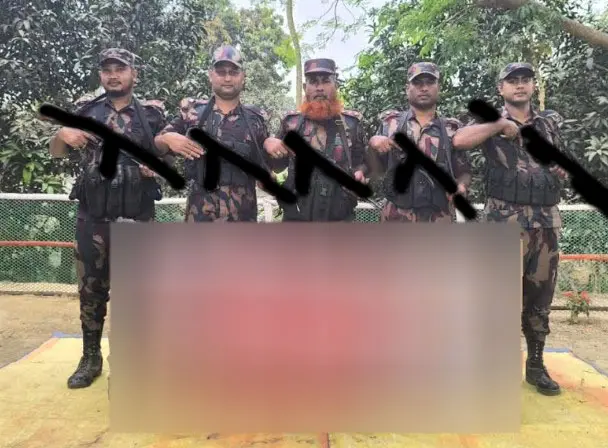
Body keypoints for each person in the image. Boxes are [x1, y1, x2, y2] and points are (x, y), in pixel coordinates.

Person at [48, 48, 170, 389]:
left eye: (121, 68)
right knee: (91, 290)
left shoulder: (152, 115)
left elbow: (168, 157)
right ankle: (90, 358)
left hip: (138, 217)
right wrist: (60, 135)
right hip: (93, 217)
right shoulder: (86, 110)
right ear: (101, 75)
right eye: (107, 69)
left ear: (134, 74)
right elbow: (57, 152)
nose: (113, 75)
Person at [452, 62, 569, 396]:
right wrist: (499, 124)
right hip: (504, 220)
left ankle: (535, 365)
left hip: (545, 221)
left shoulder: (550, 122)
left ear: (533, 86)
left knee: (540, 296)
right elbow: (459, 140)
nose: (520, 85)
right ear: (501, 88)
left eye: (525, 80)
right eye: (512, 80)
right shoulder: (488, 120)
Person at [154, 44, 272, 222]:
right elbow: (156, 147)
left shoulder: (256, 118)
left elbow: (268, 167)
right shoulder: (192, 112)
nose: (227, 78)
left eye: (233, 72)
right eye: (221, 72)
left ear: (243, 76)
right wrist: (167, 138)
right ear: (210, 75)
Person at [263, 58, 370, 222]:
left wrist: (360, 173)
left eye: (326, 81)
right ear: (305, 88)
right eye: (313, 82)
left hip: (339, 220)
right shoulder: (291, 123)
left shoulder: (352, 124)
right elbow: (277, 167)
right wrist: (268, 145)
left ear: (336, 85)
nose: (320, 88)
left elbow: (363, 162)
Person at [368, 62, 471, 222]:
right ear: (407, 88)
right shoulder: (391, 123)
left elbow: (464, 172)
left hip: (439, 219)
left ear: (438, 87)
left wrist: (462, 186)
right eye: (417, 83)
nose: (424, 88)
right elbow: (376, 171)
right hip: (395, 218)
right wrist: (373, 143)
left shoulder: (452, 128)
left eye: (430, 83)